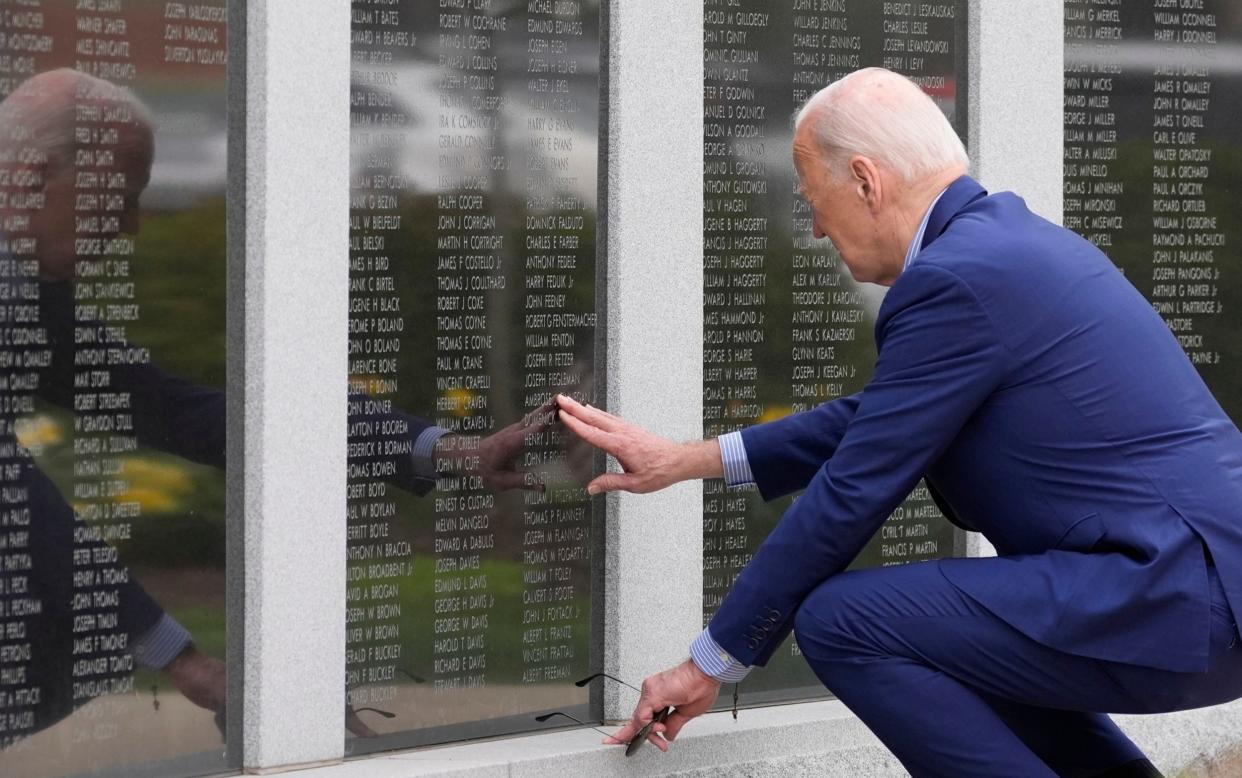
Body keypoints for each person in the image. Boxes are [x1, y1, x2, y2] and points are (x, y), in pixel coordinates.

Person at [555, 67, 1242, 777]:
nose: (817, 227)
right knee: (954, 643)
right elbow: (876, 420)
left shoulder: (957, 279)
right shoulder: (1008, 247)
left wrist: (712, 661)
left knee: (846, 624)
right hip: (1204, 586)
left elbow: (855, 487)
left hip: (1172, 593)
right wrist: (683, 460)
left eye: (815, 202)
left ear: (865, 180)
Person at [0, 68, 547, 745]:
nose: (131, 227)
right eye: (116, 198)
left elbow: (174, 408)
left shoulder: (24, 294)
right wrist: (184, 659)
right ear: (28, 179)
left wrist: (452, 450)